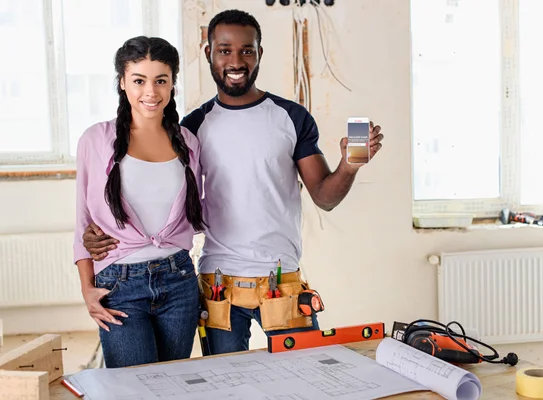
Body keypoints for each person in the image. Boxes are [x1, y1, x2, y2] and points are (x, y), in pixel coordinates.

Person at [81, 9, 384, 356]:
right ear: (209, 53)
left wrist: (349, 165)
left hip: (281, 280)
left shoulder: (292, 117)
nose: (236, 60)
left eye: (247, 50)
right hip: (218, 284)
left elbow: (325, 197)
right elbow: (158, 195)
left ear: (259, 54)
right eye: (224, 50)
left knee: (305, 372)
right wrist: (101, 232)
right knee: (225, 385)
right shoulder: (192, 129)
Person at [73, 36, 205, 368]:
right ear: (122, 82)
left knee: (173, 384)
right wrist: (87, 289)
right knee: (133, 386)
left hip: (179, 281)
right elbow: (82, 221)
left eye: (161, 80)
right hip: (119, 285)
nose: (151, 91)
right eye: (139, 80)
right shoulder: (96, 139)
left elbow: (201, 210)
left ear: (173, 83)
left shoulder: (188, 142)